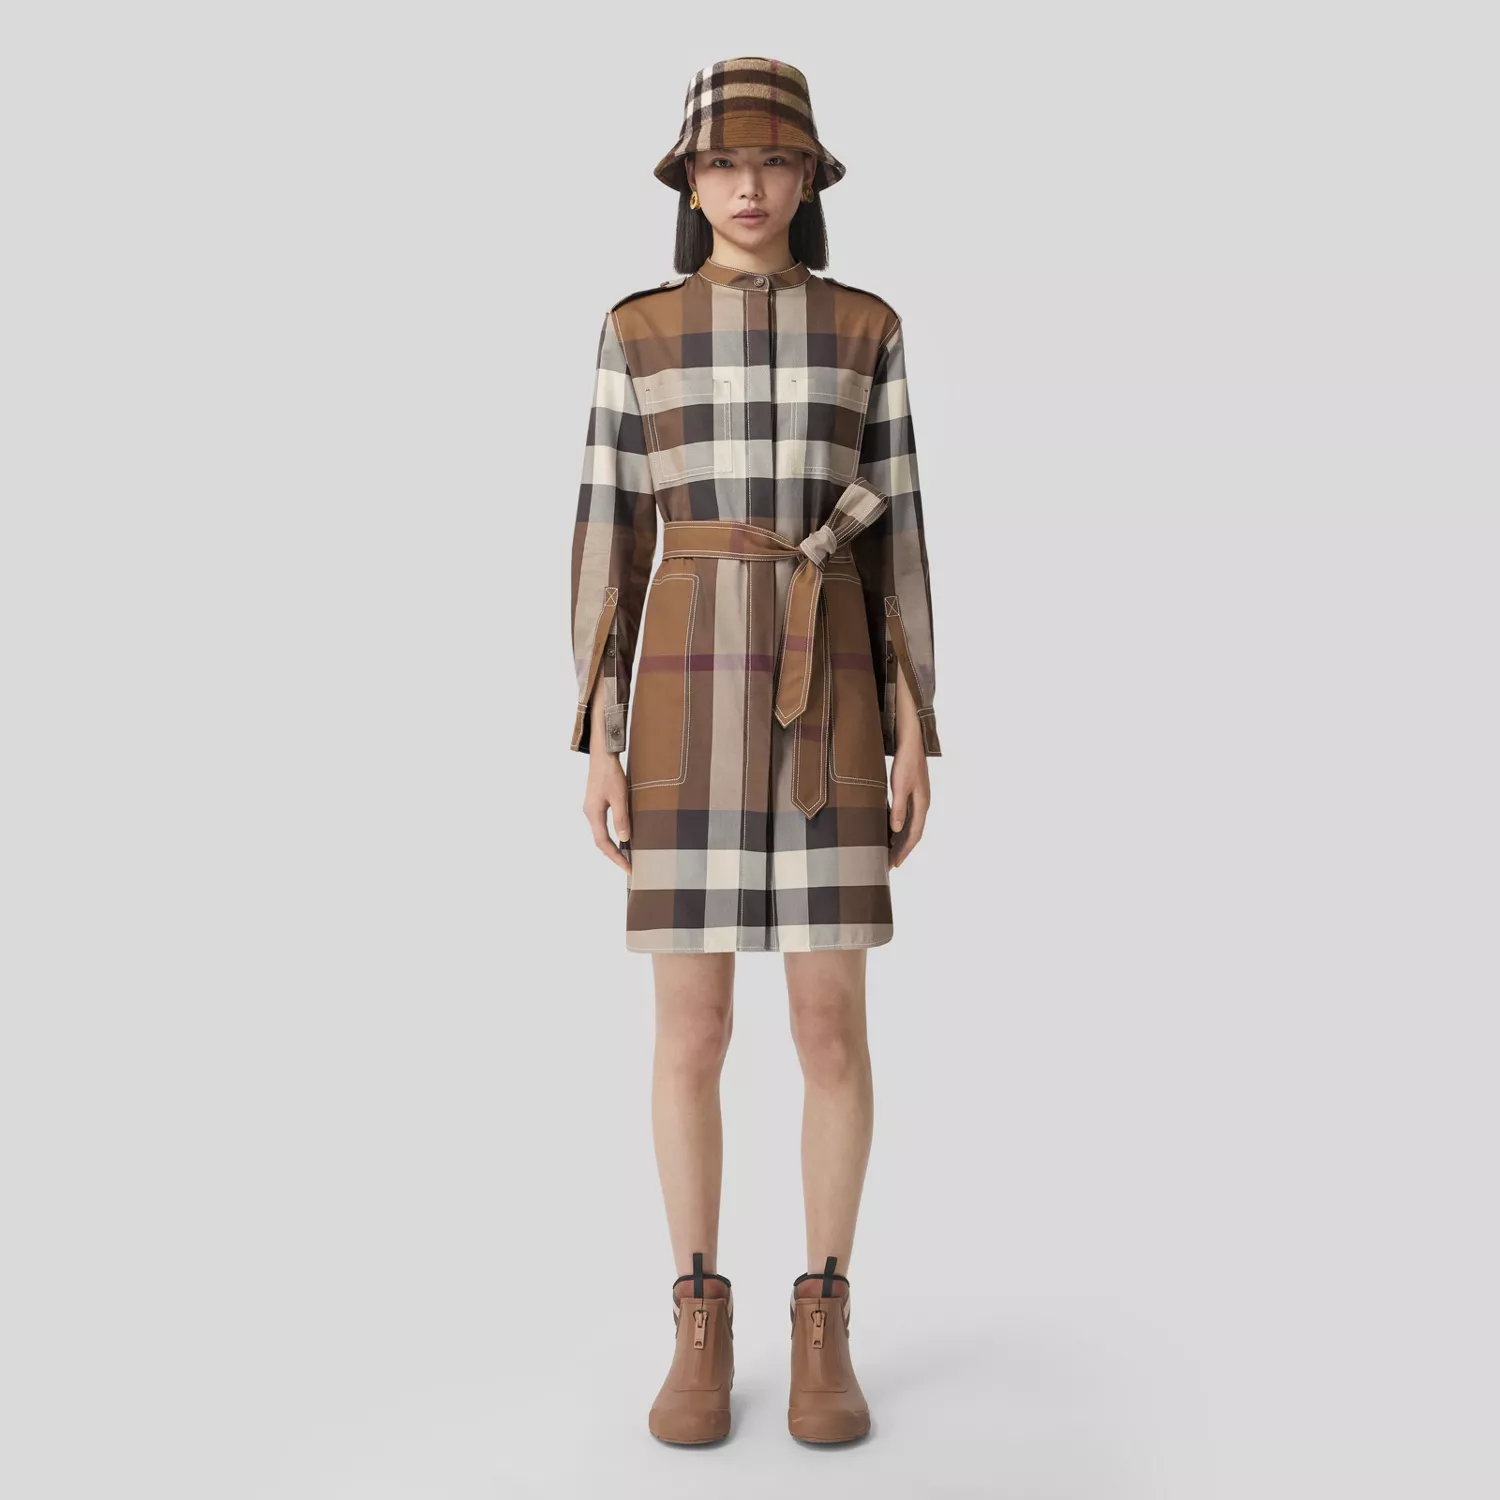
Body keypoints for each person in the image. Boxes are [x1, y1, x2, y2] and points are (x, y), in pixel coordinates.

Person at [567, 57, 943, 1445]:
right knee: (695, 1029)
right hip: (681, 693)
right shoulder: (639, 329)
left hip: (831, 684)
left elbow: (899, 531)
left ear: (808, 178)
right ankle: (697, 1319)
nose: (747, 185)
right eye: (722, 163)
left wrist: (915, 724)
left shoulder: (866, 327)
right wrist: (599, 737)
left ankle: (825, 1318)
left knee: (829, 1024)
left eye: (774, 161)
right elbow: (609, 539)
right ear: (688, 181)